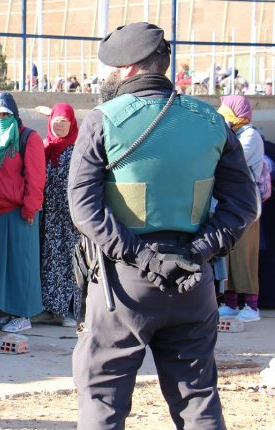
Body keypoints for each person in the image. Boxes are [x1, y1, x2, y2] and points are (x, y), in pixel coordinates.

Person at [68, 22, 258, 428]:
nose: (103, 77)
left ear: (129, 69)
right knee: (198, 401)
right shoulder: (211, 121)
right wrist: (196, 252)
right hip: (193, 282)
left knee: (102, 398)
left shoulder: (102, 119)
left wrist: (145, 258)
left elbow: (85, 208)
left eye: (109, 68)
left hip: (124, 286)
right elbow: (244, 205)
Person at [0, 92, 46, 333]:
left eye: (5, 114)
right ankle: (4, 311)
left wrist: (30, 206)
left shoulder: (28, 138)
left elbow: (36, 177)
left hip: (18, 212)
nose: (0, 118)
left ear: (15, 116)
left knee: (19, 264)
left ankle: (23, 314)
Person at [217, 95, 265, 323]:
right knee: (229, 255)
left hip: (246, 206)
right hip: (229, 204)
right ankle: (231, 302)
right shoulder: (234, 135)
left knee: (245, 256)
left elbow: (234, 162)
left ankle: (252, 306)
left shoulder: (250, 136)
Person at [37, 103, 81, 327]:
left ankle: (70, 312)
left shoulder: (79, 149)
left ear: (72, 123)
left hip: (71, 217)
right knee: (49, 261)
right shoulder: (45, 147)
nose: (60, 125)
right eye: (56, 121)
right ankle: (52, 309)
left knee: (70, 261)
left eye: (64, 121)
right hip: (49, 216)